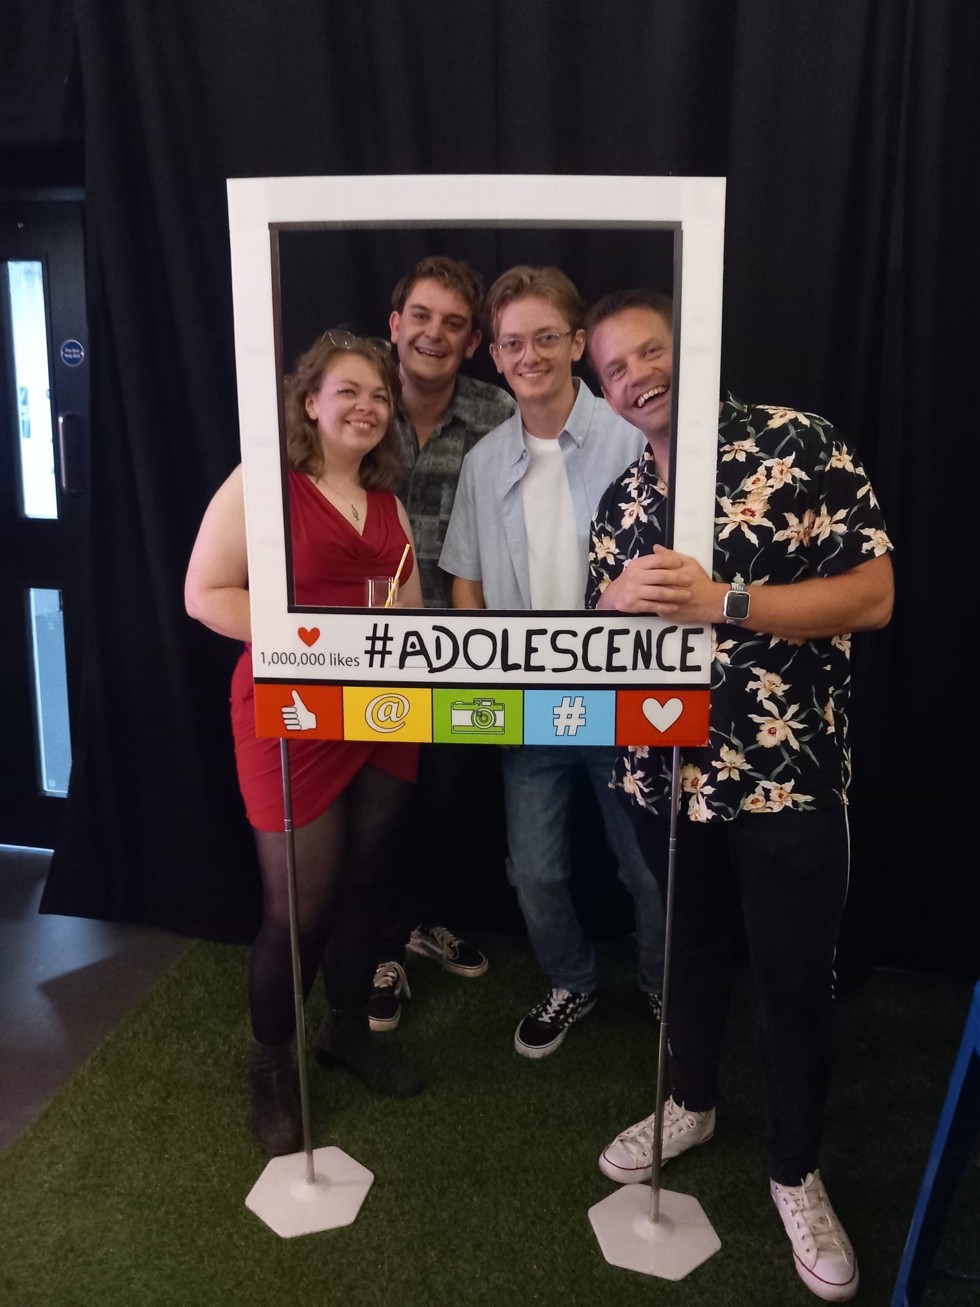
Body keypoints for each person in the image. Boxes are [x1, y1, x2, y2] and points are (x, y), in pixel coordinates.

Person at [585, 288, 894, 1303]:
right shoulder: (621, 498)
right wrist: (610, 604)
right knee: (690, 953)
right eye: (615, 368)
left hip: (785, 777)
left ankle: (794, 1169)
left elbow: (871, 593)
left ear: (689, 348)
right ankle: (691, 1099)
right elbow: (601, 645)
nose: (636, 376)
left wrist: (722, 599)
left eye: (649, 351)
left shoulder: (795, 442)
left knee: (794, 979)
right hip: (660, 778)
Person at [184, 330, 424, 1156]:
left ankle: (347, 1033)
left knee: (365, 885)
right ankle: (272, 1068)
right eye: (348, 390)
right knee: (299, 910)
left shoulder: (391, 505)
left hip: (385, 719)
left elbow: (410, 615)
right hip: (290, 717)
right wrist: (313, 643)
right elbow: (205, 594)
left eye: (380, 396)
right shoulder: (264, 483)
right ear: (310, 401)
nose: (366, 406)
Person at [439, 265, 667, 1059]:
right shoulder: (484, 460)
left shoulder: (634, 432)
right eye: (511, 343)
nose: (528, 354)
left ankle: (664, 986)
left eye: (545, 337)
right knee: (534, 872)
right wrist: (490, 676)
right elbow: (464, 577)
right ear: (493, 358)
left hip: (628, 699)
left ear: (577, 343)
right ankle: (571, 980)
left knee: (647, 871)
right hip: (528, 701)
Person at [364, 256, 517, 1033]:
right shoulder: (355, 402)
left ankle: (423, 921)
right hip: (368, 648)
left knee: (450, 798)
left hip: (468, 650)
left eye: (455, 323)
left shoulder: (499, 412)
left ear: (473, 340)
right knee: (381, 805)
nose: (435, 333)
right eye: (421, 316)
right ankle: (380, 947)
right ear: (395, 325)